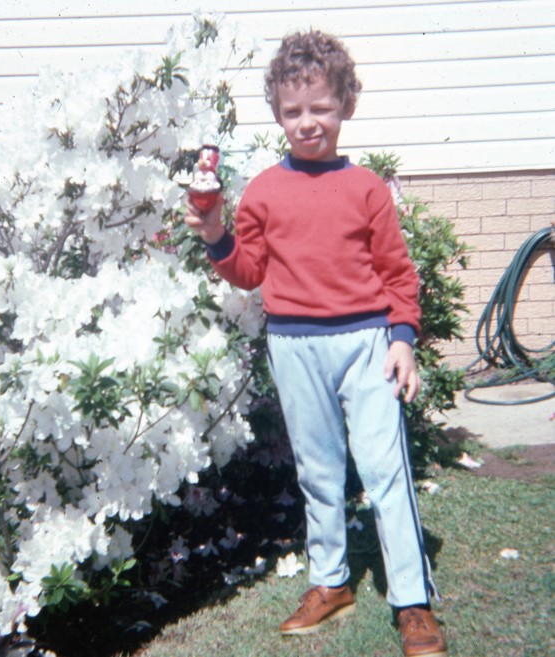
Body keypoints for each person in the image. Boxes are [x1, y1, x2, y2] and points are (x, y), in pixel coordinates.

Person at [184, 30, 448, 657]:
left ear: (346, 106)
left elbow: (397, 274)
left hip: (366, 343)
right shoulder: (265, 192)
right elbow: (247, 270)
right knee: (320, 472)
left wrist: (403, 338)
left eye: (321, 108)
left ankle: (411, 600)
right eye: (294, 112)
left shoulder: (366, 189)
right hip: (295, 345)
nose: (308, 124)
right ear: (278, 114)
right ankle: (330, 582)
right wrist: (217, 232)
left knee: (385, 472)